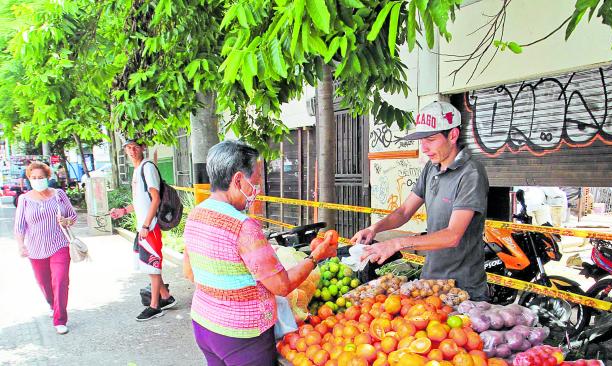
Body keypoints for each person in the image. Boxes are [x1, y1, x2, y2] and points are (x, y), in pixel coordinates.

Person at [183, 140, 336, 366]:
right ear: (237, 180)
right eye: (254, 182)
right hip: (242, 337)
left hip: (204, 325)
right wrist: (315, 258)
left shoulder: (196, 214)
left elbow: (189, 272)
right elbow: (282, 286)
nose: (258, 189)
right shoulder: (243, 226)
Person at [354, 101, 490, 300]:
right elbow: (404, 212)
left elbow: (452, 235)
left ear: (453, 135)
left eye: (431, 140)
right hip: (430, 282)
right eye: (421, 140)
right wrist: (375, 229)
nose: (424, 148)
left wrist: (397, 243)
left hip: (462, 288)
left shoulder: (471, 173)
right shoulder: (431, 168)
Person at [109, 139, 176, 321]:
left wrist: (147, 225)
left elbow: (155, 199)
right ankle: (165, 297)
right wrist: (123, 211)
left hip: (150, 226)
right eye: (128, 148)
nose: (132, 151)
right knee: (147, 264)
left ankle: (155, 306)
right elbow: (140, 201)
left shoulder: (147, 168)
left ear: (142, 148)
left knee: (152, 265)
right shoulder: (137, 170)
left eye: (135, 147)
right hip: (143, 226)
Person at [14, 161, 77, 334]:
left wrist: (67, 221)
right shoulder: (24, 199)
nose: (37, 180)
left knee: (60, 280)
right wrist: (21, 245)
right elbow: (20, 226)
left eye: (41, 177)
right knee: (44, 283)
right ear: (29, 179)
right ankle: (52, 303)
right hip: (35, 249)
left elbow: (72, 215)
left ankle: (60, 319)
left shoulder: (59, 194)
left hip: (59, 244)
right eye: (34, 178)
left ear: (47, 178)